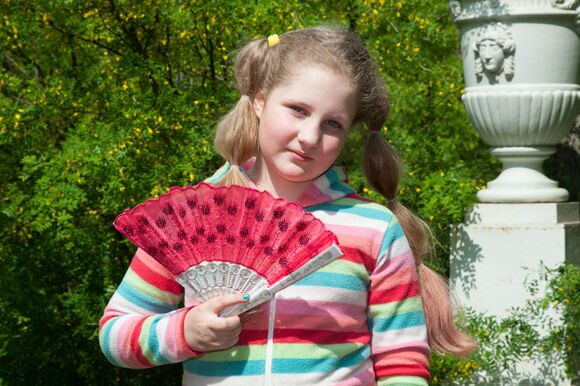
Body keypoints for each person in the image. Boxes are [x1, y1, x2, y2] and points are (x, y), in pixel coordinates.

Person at [99, 26, 475, 385]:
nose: (310, 137)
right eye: (297, 109)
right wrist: (187, 331)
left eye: (333, 124)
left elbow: (402, 363)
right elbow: (115, 334)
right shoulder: (194, 216)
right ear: (260, 99)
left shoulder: (374, 229)